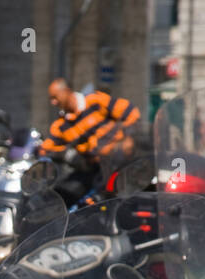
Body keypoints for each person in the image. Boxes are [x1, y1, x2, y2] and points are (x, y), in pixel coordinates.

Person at [39, 77, 141, 205]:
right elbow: (46, 149)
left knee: (104, 195)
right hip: (92, 168)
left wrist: (127, 139)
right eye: (51, 99)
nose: (53, 102)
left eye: (55, 97)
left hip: (119, 163)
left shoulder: (95, 101)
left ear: (66, 91)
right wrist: (72, 157)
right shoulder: (61, 125)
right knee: (62, 194)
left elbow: (131, 112)